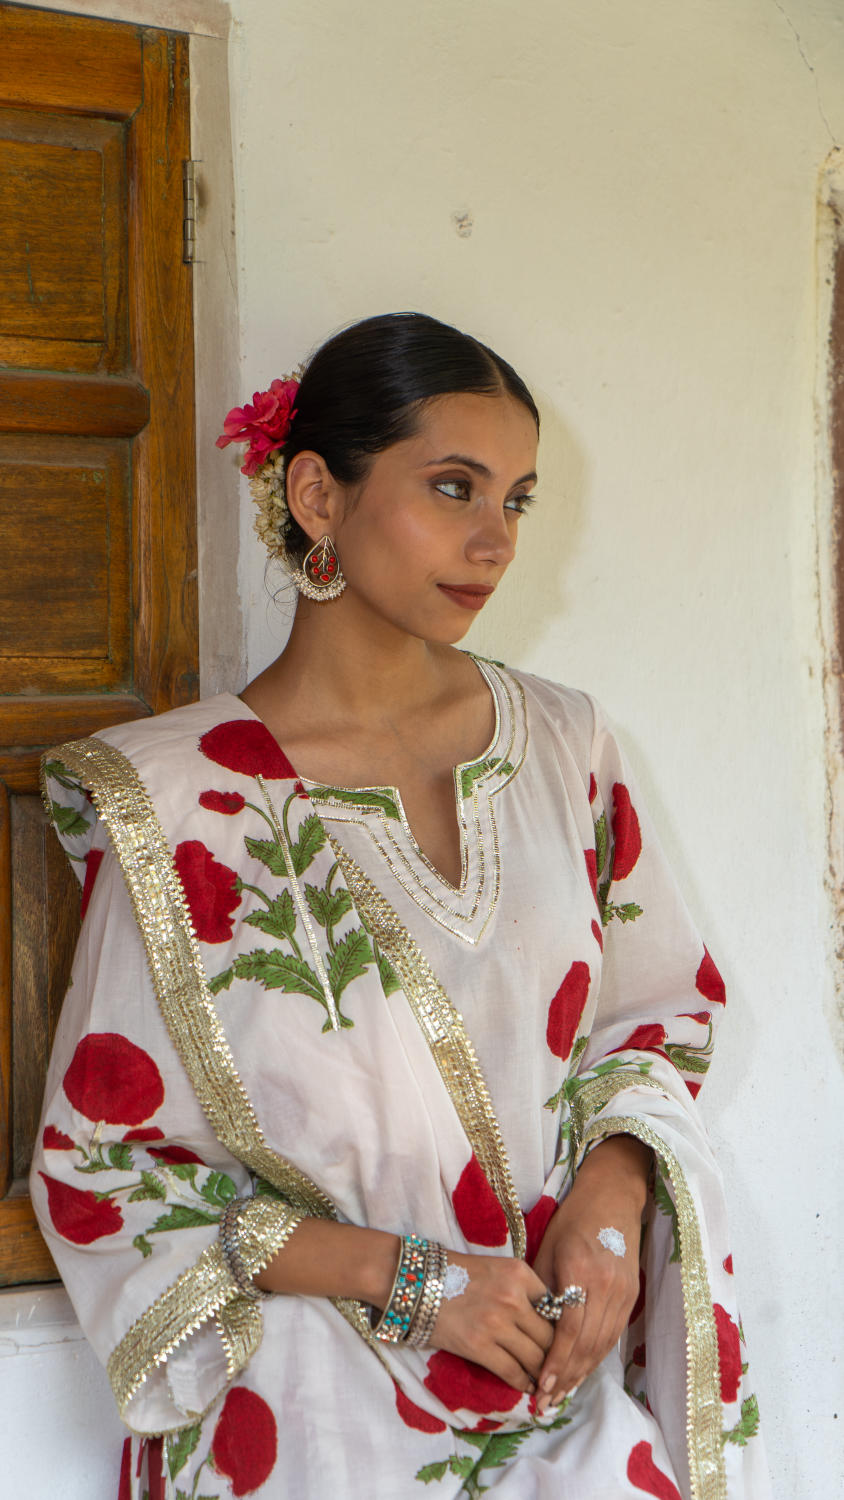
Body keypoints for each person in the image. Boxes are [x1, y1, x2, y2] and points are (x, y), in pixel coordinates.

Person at [32, 313, 770, 1499]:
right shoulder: (183, 801)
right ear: (318, 495)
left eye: (516, 501)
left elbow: (653, 1020)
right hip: (308, 1421)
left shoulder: (563, 747)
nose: (495, 541)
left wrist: (612, 1199)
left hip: (555, 1385)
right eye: (452, 487)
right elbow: (106, 1169)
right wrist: (414, 1281)